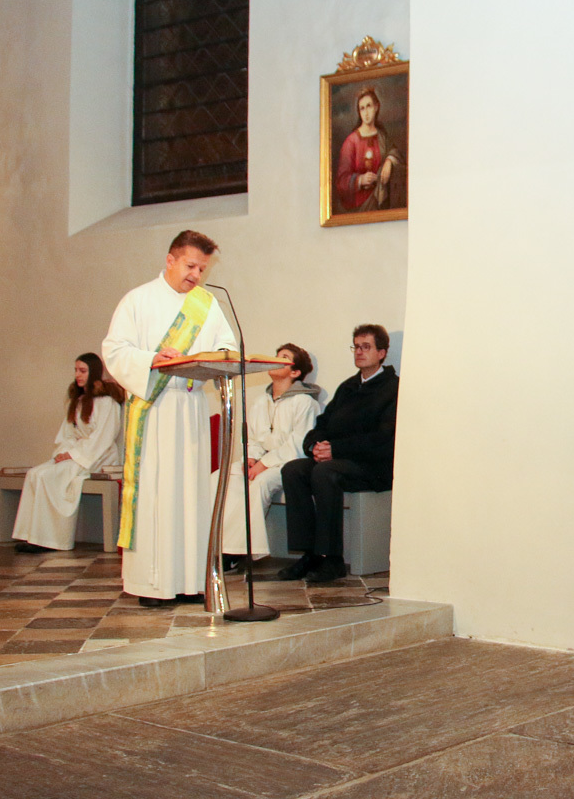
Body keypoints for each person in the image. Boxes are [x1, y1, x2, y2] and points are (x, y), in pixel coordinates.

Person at [102, 230, 238, 606]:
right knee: (158, 495)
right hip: (155, 408)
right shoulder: (138, 300)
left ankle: (192, 582)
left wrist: (212, 356)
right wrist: (152, 359)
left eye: (202, 269)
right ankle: (153, 584)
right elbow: (114, 351)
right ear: (170, 260)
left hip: (191, 408)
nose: (196, 275)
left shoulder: (206, 305)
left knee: (192, 494)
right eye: (191, 266)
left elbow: (227, 347)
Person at [279, 324, 399, 584]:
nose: (359, 352)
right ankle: (310, 554)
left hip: (372, 467)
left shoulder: (393, 387)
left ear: (381, 353)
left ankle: (332, 558)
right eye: (356, 346)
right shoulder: (348, 387)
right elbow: (323, 423)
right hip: (339, 460)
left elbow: (383, 439)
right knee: (293, 469)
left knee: (325, 472)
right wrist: (314, 446)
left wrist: (336, 450)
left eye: (366, 347)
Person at [220, 343, 322, 565]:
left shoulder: (305, 402)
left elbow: (298, 445)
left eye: (283, 358)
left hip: (290, 464)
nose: (275, 360)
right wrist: (250, 458)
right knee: (223, 478)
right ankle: (217, 545)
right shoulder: (261, 402)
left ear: (295, 372)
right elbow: (253, 438)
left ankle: (238, 553)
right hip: (262, 461)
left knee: (259, 484)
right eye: (275, 355)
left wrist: (264, 464)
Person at [11, 353, 125, 552]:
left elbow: (103, 438)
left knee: (48, 477)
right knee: (34, 474)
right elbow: (68, 434)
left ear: (94, 372)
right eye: (76, 370)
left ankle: (51, 540)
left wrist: (73, 455)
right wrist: (65, 452)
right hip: (77, 453)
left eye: (83, 371)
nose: (77, 375)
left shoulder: (107, 402)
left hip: (99, 456)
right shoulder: (78, 401)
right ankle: (31, 535)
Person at [335, 87, 404, 212]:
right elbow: (341, 182)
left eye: (369, 106)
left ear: (376, 107)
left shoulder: (382, 137)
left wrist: (389, 161)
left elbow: (394, 152)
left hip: (381, 202)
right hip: (359, 208)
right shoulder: (351, 141)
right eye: (362, 108)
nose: (366, 112)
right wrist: (360, 180)